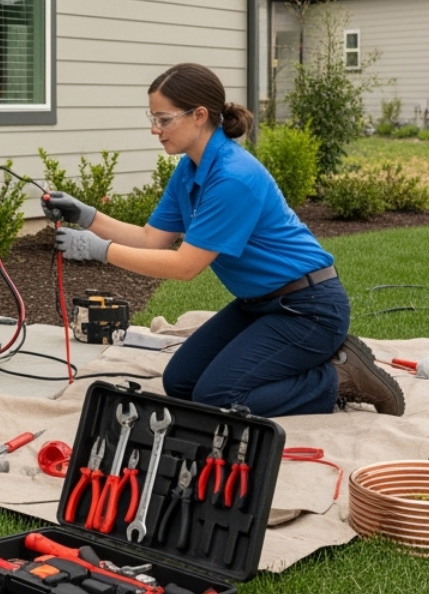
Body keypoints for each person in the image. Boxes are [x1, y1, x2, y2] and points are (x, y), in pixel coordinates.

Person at [45, 62, 405, 418]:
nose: (155, 129)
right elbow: (150, 238)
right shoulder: (190, 169)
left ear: (199, 115)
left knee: (217, 397)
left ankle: (339, 376)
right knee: (180, 383)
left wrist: (101, 251)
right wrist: (86, 216)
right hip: (258, 305)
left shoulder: (233, 177)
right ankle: (305, 367)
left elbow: (185, 266)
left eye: (164, 119)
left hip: (309, 309)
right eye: (152, 118)